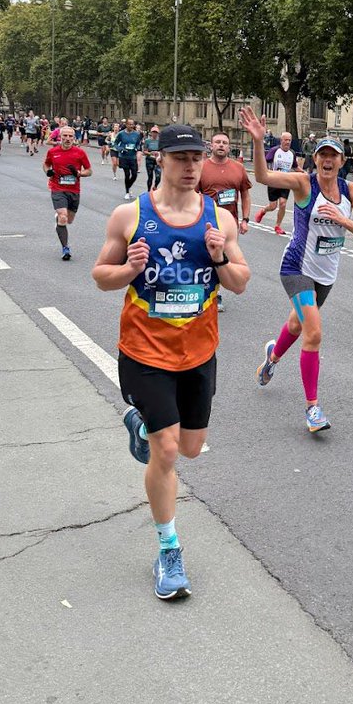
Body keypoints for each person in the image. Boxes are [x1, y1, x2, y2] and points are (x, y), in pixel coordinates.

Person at [91, 124, 250, 600]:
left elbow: (241, 282)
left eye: (196, 157)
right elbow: (101, 276)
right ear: (160, 160)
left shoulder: (219, 220)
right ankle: (168, 550)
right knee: (166, 450)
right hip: (144, 352)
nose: (190, 166)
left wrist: (221, 260)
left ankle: (140, 425)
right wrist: (131, 269)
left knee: (191, 449)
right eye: (180, 157)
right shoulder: (130, 216)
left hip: (198, 351)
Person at [240, 108, 353, 432]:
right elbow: (263, 178)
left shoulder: (351, 191)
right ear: (315, 159)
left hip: (326, 274)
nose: (328, 161)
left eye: (334, 156)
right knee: (313, 332)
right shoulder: (304, 184)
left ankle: (272, 357)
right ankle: (313, 409)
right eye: (322, 155)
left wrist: (342, 220)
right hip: (296, 267)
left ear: (342, 161)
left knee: (297, 325)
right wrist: (259, 143)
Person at [197, 131, 252, 311]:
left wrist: (246, 220)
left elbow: (245, 194)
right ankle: (210, 290)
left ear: (229, 147)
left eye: (225, 143)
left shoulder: (238, 168)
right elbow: (193, 195)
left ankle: (217, 293)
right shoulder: (202, 167)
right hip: (206, 221)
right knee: (207, 257)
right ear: (211, 145)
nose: (221, 145)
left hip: (230, 224)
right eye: (218, 142)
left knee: (224, 258)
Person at [43, 125, 92, 259]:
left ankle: (59, 219)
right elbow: (46, 164)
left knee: (69, 220)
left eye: (70, 136)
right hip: (57, 188)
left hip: (74, 190)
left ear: (74, 138)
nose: (67, 138)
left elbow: (89, 171)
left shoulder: (80, 153)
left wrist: (79, 173)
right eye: (65, 136)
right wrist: (48, 171)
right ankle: (65, 248)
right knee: (63, 217)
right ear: (60, 137)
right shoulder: (53, 152)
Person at [254, 130, 298, 235]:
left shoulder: (292, 153)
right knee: (273, 206)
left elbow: (296, 167)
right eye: (286, 140)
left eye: (289, 140)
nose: (288, 142)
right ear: (281, 140)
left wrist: (305, 174)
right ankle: (263, 211)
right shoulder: (274, 151)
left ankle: (278, 226)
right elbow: (264, 162)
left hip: (285, 182)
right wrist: (265, 174)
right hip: (273, 181)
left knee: (283, 204)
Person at [115, 117, 143, 200]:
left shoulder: (136, 134)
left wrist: (137, 148)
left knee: (134, 174)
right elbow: (115, 144)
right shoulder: (121, 134)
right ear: (126, 125)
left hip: (133, 157)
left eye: (132, 124)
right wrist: (121, 149)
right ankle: (127, 192)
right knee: (127, 174)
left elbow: (139, 144)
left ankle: (129, 186)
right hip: (124, 157)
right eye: (129, 124)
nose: (131, 126)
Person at [143, 126, 162, 192]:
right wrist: (150, 153)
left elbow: (163, 150)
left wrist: (158, 153)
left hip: (157, 160)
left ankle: (155, 186)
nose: (154, 134)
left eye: (156, 132)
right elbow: (144, 151)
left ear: (158, 133)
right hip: (149, 160)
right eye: (153, 132)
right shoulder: (147, 141)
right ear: (151, 133)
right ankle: (148, 191)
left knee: (158, 177)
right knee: (150, 177)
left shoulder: (160, 141)